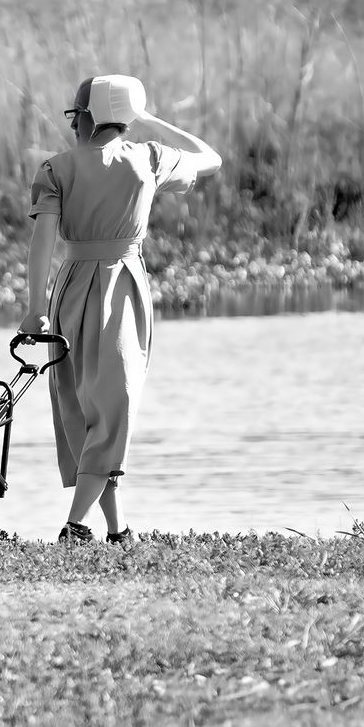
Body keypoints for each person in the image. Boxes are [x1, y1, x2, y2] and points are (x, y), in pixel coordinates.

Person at [20, 74, 220, 544]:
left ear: (91, 115)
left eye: (75, 114)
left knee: (88, 406)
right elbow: (210, 158)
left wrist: (35, 308)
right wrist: (148, 120)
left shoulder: (56, 169)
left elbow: (42, 243)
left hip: (71, 288)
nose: (72, 124)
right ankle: (77, 527)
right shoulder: (150, 158)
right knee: (112, 403)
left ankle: (116, 529)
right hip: (123, 286)